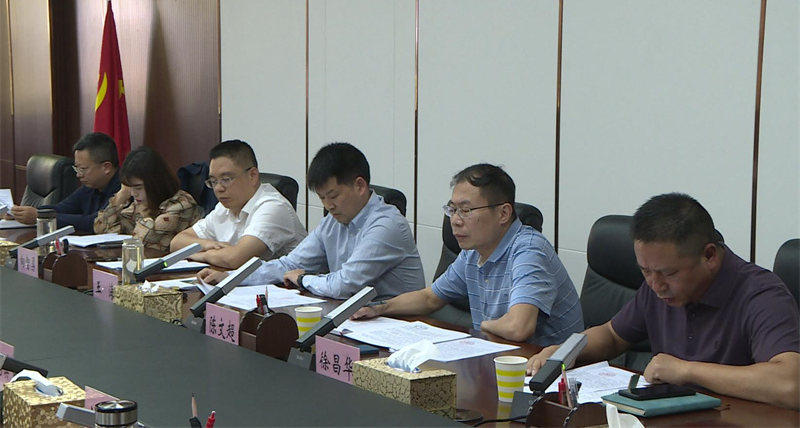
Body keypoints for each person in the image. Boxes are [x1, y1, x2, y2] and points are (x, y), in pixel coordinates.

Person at [527, 193, 800, 409]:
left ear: (709, 256)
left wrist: (687, 371)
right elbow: (612, 335)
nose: (655, 285)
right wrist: (565, 351)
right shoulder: (658, 285)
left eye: (668, 273)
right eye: (645, 271)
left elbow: (790, 385)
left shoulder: (761, 295)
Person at [353, 164, 583, 345]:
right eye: (452, 210)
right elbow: (429, 298)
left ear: (503, 213)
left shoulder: (529, 251)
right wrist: (380, 308)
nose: (455, 220)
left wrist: (483, 325)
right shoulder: (473, 252)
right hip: (498, 357)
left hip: (551, 374)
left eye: (466, 210)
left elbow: (518, 327)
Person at [197, 142, 425, 300]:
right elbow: (289, 265)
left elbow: (345, 284)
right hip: (355, 317)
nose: (328, 205)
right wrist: (232, 278)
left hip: (399, 323)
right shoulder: (333, 222)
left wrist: (304, 279)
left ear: (360, 186)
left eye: (333, 196)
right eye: (322, 198)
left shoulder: (386, 224)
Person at [170, 140, 306, 269]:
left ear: (253, 175)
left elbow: (234, 259)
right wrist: (208, 244)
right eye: (213, 181)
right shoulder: (223, 208)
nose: (218, 188)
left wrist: (196, 254)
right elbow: (177, 243)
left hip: (289, 284)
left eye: (226, 179)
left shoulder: (273, 207)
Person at [4, 132, 121, 233]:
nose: (78, 174)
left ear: (106, 167)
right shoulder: (90, 187)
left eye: (83, 168)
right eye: (76, 168)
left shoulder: (124, 190)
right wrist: (21, 213)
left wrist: (40, 216)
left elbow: (94, 222)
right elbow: (62, 208)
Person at [94, 147, 201, 252]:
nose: (133, 193)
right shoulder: (142, 202)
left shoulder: (181, 205)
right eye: (130, 187)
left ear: (156, 183)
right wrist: (121, 196)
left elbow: (144, 243)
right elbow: (102, 230)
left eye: (138, 187)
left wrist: (144, 214)